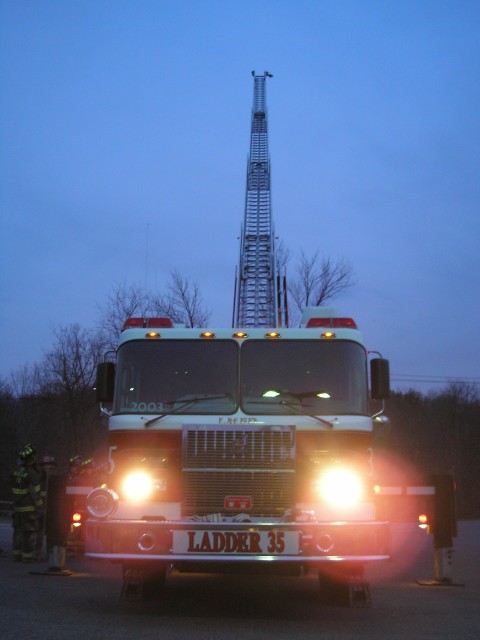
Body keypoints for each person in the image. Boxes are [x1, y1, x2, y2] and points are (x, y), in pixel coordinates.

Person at [11, 444, 43, 562]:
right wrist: (40, 507)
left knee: (18, 531)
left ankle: (16, 554)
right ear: (30, 459)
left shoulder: (15, 472)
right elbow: (36, 492)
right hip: (29, 509)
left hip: (17, 507)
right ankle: (28, 557)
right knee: (29, 533)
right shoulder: (32, 474)